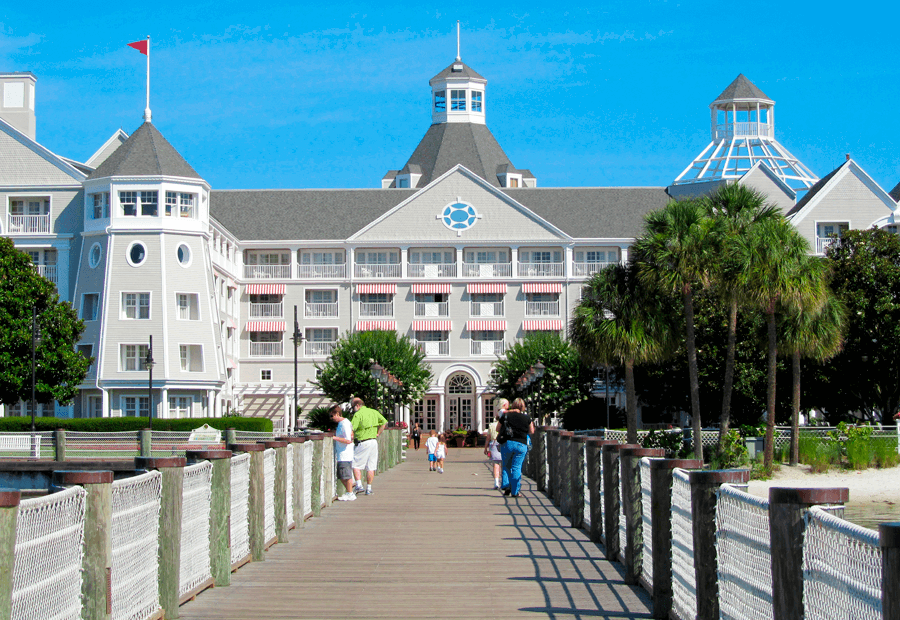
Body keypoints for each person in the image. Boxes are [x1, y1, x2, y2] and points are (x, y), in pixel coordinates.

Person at [350, 397, 388, 495]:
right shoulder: (373, 412)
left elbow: (352, 428)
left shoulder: (358, 414)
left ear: (357, 405)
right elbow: (384, 422)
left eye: (353, 407)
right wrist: (378, 433)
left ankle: (359, 485)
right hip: (373, 441)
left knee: (355, 464)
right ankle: (369, 488)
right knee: (371, 466)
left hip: (363, 441)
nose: (353, 409)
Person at [498, 397, 534, 498]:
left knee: (506, 466)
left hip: (507, 443)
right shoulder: (526, 418)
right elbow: (532, 431)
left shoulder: (506, 415)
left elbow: (498, 428)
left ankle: (506, 486)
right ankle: (515, 491)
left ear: (513, 405)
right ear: (523, 407)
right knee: (516, 467)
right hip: (521, 444)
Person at [329, 405, 356, 501]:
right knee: (341, 475)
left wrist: (334, 438)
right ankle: (349, 492)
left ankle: (350, 493)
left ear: (337, 414)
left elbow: (348, 440)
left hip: (345, 454)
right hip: (341, 453)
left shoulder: (344, 423)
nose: (331, 418)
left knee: (346, 475)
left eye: (332, 416)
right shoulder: (343, 423)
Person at [484, 399, 506, 490]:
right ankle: (505, 482)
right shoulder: (505, 423)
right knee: (504, 464)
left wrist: (485, 448)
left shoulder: (492, 425)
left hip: (493, 444)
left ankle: (496, 482)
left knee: (496, 464)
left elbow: (488, 437)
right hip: (504, 442)